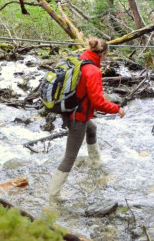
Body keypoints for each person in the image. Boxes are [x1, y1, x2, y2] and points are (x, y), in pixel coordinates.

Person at [48, 37, 126, 201]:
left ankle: (96, 162)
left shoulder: (79, 59)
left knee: (92, 128)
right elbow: (98, 102)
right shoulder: (93, 70)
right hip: (78, 116)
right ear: (103, 54)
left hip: (67, 109)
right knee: (70, 157)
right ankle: (53, 196)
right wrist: (117, 109)